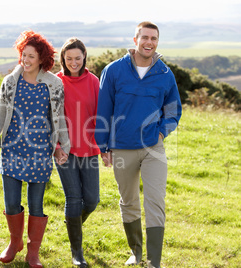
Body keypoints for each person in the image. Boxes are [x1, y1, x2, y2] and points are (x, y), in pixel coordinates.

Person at [94, 21, 182, 268]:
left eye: (154, 38)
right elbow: (104, 110)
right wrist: (103, 146)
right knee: (129, 200)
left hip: (153, 147)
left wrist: (162, 134)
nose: (149, 42)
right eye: (144, 37)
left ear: (157, 42)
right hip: (122, 146)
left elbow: (173, 109)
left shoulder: (165, 74)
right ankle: (136, 252)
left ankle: (154, 260)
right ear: (135, 40)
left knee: (155, 201)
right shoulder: (114, 71)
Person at [0, 30, 70, 268]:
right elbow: (1, 115)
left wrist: (60, 147)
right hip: (12, 149)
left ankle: (32, 252)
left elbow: (59, 118)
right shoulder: (10, 82)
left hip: (39, 152)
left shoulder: (54, 85)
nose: (26, 60)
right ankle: (14, 242)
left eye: (31, 56)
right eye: (23, 55)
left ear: (41, 59)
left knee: (37, 204)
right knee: (12, 203)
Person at [55, 37, 100, 267]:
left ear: (84, 58)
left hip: (90, 148)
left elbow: (103, 114)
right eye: (69, 58)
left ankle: (73, 223)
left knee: (91, 200)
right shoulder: (55, 82)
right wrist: (56, 147)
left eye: (78, 58)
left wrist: (105, 145)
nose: (73, 62)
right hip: (64, 150)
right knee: (73, 199)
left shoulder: (93, 81)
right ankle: (77, 253)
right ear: (63, 58)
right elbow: (48, 117)